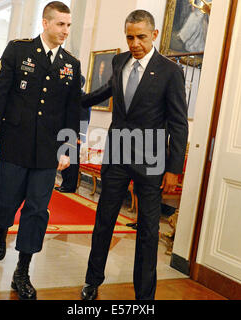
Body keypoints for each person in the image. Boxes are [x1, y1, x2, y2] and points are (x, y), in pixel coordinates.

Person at [80, 10, 188, 300]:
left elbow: (178, 123)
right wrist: (72, 98)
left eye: (141, 36)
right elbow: (105, 91)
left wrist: (173, 168)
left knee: (148, 231)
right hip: (116, 156)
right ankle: (92, 281)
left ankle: (144, 296)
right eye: (130, 36)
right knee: (104, 220)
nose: (135, 43)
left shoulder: (170, 71)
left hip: (151, 161)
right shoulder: (119, 61)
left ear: (153, 35)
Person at [0, 1, 81, 300]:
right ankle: (1, 228)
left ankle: (22, 272)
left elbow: (71, 112)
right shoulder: (18, 50)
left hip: (47, 153)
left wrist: (67, 149)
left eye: (69, 25)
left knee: (37, 211)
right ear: (45, 23)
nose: (65, 30)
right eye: (60, 24)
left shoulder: (71, 65)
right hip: (15, 144)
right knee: (8, 199)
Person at [55, 75, 91, 193]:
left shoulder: (83, 97)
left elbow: (85, 118)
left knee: (72, 162)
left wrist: (80, 136)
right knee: (65, 158)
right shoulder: (71, 96)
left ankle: (70, 186)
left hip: (75, 136)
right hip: (66, 133)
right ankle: (65, 184)